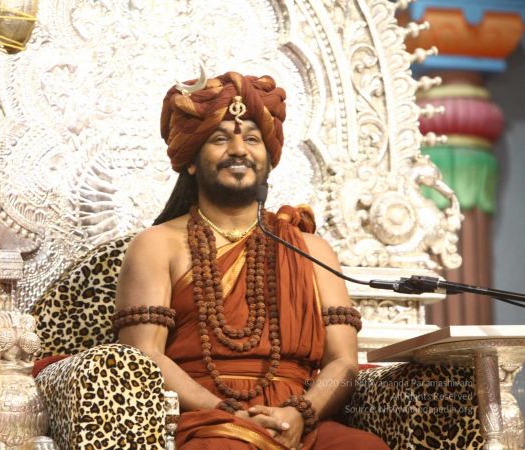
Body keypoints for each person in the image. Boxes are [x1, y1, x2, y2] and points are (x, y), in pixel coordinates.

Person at [113, 72, 390, 450]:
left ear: (268, 159)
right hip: (205, 421)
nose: (239, 149)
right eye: (220, 138)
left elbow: (343, 363)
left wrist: (300, 414)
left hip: (298, 422)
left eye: (253, 139)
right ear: (191, 161)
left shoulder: (311, 250)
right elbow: (144, 356)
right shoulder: (157, 245)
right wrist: (227, 413)